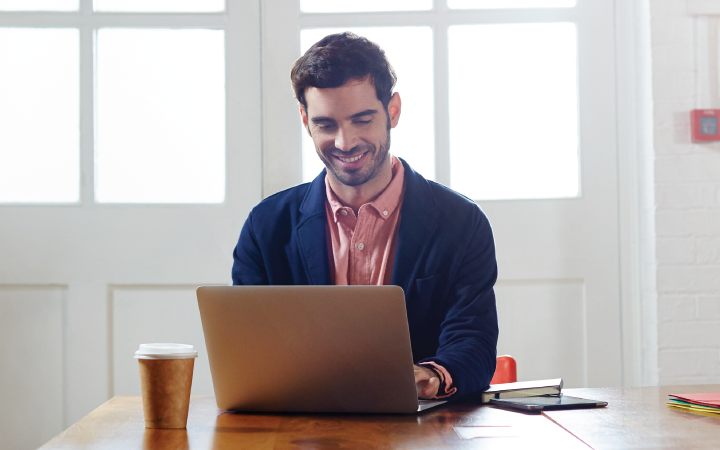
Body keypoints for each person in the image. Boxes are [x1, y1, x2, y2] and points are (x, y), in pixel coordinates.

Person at [232, 32, 498, 400]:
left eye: (362, 120)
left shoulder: (462, 223)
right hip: (301, 426)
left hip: (420, 431)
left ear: (393, 111)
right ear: (304, 119)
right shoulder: (266, 226)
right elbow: (248, 348)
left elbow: (474, 343)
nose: (345, 143)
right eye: (326, 124)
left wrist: (432, 374)